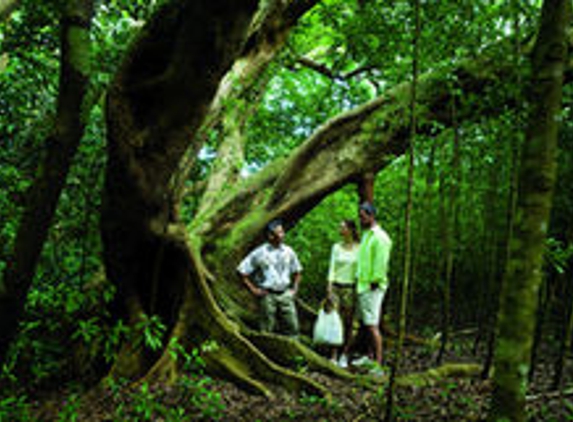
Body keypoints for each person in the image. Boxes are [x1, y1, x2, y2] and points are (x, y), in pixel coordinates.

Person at [237, 219, 302, 336]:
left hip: (285, 294)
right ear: (270, 236)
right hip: (268, 295)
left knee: (292, 326)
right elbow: (242, 271)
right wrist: (254, 289)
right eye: (279, 232)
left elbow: (297, 271)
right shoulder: (260, 253)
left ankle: (294, 351)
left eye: (282, 232)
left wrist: (294, 290)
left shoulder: (288, 251)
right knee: (267, 328)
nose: (282, 235)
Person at [353, 202, 392, 376]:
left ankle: (378, 364)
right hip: (363, 285)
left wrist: (374, 282)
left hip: (372, 287)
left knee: (372, 325)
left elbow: (380, 262)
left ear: (371, 216)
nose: (361, 219)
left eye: (363, 216)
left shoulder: (380, 237)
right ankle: (368, 357)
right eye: (360, 216)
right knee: (365, 323)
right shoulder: (367, 235)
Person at [326, 219, 360, 367]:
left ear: (351, 230)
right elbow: (332, 268)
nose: (340, 230)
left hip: (350, 288)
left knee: (348, 322)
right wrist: (329, 286)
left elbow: (360, 271)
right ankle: (333, 354)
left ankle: (345, 354)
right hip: (336, 287)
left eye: (343, 228)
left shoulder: (359, 248)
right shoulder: (336, 247)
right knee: (335, 321)